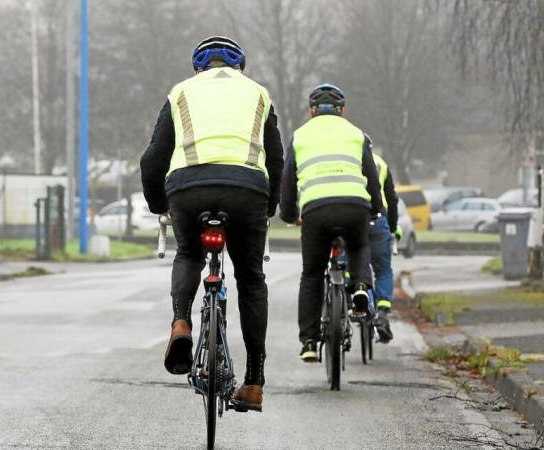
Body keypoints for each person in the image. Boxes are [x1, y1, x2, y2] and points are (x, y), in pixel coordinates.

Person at [140, 36, 284, 412]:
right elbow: (277, 159)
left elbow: (153, 159)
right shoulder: (259, 94)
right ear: (240, 66)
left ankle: (181, 322)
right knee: (251, 279)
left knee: (189, 254)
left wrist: (161, 206)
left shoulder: (180, 93)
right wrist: (268, 208)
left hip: (188, 189)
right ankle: (254, 382)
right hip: (246, 191)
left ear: (198, 67)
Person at [279, 83, 383, 363]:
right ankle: (360, 286)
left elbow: (288, 181)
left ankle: (310, 342)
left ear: (311, 111)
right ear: (342, 110)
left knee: (311, 275)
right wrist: (376, 209)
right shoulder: (356, 134)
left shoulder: (299, 135)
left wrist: (289, 215)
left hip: (316, 210)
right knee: (360, 246)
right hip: (354, 207)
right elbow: (371, 175)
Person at [369, 152, 402, 343]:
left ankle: (352, 295)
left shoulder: (343, 156)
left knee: (350, 260)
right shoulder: (381, 162)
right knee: (383, 270)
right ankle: (382, 312)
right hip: (378, 220)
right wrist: (393, 227)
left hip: (350, 218)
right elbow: (392, 199)